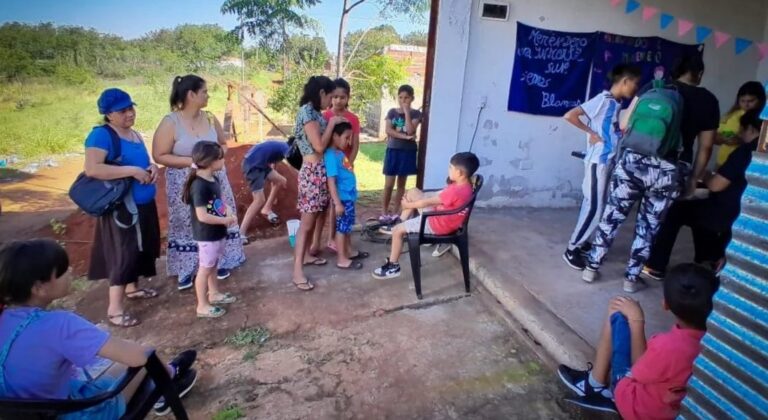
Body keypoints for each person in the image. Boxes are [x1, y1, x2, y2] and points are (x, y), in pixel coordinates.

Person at [0, 239, 198, 418]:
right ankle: (171, 377)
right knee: (146, 356)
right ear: (38, 288)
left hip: (23, 411)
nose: (70, 272)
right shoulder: (59, 324)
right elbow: (139, 357)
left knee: (116, 366)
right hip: (69, 413)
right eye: (61, 271)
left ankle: (170, 375)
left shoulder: (4, 318)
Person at [583, 55, 720, 293]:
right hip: (669, 169)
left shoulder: (653, 88)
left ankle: (591, 268)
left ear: (674, 71)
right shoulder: (707, 100)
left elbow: (625, 123)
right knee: (648, 225)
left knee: (612, 216)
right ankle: (630, 279)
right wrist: (691, 180)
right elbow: (706, 148)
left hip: (633, 162)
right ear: (699, 73)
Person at [557, 263, 719, 419]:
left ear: (665, 305)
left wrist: (636, 320)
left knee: (618, 312)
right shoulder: (716, 343)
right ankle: (595, 384)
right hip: (669, 408)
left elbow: (637, 370)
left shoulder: (668, 346)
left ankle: (595, 385)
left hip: (639, 409)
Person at [642, 109, 762, 280]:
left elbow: (716, 185)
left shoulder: (745, 152)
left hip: (727, 212)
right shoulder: (761, 153)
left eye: (742, 130)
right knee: (700, 212)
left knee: (677, 209)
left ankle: (656, 265)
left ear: (750, 129)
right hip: (746, 213)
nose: (740, 134)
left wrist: (703, 173)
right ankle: (707, 260)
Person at [152, 75, 246, 291]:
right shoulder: (170, 122)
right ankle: (188, 267)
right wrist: (194, 162)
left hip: (215, 180)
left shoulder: (211, 118)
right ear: (191, 95)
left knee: (216, 217)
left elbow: (223, 145)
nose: (208, 95)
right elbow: (159, 155)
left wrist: (216, 156)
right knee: (187, 222)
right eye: (204, 91)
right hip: (184, 182)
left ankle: (219, 262)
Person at [84, 88, 161, 327]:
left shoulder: (134, 134)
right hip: (122, 209)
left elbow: (143, 162)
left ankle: (132, 288)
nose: (130, 114)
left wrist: (151, 167)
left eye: (131, 108)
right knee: (122, 254)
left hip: (143, 203)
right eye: (123, 110)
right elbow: (93, 169)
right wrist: (132, 171)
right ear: (108, 115)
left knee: (140, 248)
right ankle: (114, 310)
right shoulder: (102, 136)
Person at [562, 64, 642, 270]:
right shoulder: (603, 100)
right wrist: (591, 133)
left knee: (596, 205)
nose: (636, 88)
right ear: (624, 81)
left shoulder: (615, 104)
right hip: (598, 161)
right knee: (595, 207)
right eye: (634, 83)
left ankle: (582, 243)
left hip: (606, 161)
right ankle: (572, 249)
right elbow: (570, 115)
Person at [373, 152, 479, 280]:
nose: (448, 169)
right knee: (413, 192)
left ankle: (393, 266)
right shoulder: (465, 185)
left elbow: (426, 202)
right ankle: (400, 220)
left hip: (437, 223)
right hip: (442, 216)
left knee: (397, 231)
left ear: (460, 173)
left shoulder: (455, 191)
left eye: (451, 167)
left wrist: (408, 205)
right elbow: (440, 197)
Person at [292, 76, 345, 291]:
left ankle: (305, 257)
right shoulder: (307, 113)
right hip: (312, 172)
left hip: (321, 172)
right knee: (306, 223)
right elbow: (318, 146)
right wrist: (332, 123)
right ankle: (297, 272)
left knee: (314, 219)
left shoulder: (316, 114)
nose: (332, 102)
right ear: (321, 93)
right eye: (330, 97)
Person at [182, 141, 239, 318]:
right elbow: (202, 216)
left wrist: (226, 211)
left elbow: (216, 203)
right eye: (221, 158)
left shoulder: (213, 179)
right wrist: (225, 219)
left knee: (213, 264)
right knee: (205, 269)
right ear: (210, 161)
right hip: (207, 235)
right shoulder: (199, 185)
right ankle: (202, 305)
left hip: (216, 232)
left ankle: (213, 293)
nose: (224, 161)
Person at [321, 78, 361, 254]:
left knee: (344, 202)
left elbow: (356, 144)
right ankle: (331, 238)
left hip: (345, 166)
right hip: (331, 166)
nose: (338, 100)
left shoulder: (353, 118)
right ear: (330, 97)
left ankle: (343, 241)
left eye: (342, 97)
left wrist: (349, 164)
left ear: (348, 98)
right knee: (334, 203)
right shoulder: (325, 116)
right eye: (335, 97)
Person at [325, 122, 368, 270]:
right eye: (346, 137)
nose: (349, 142)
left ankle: (349, 252)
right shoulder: (330, 156)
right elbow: (331, 181)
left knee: (347, 226)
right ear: (335, 136)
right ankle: (341, 259)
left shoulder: (340, 153)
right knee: (342, 229)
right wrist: (337, 203)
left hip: (348, 198)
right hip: (342, 199)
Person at [381, 84, 422, 223]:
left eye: (406, 98)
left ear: (412, 98)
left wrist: (406, 112)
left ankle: (396, 211)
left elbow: (411, 130)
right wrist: (404, 137)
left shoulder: (416, 114)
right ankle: (384, 211)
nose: (403, 100)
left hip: (407, 152)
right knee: (388, 183)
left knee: (401, 184)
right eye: (400, 97)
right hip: (393, 150)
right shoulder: (392, 112)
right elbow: (388, 130)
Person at [239, 140, 289, 242]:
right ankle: (241, 234)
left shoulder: (279, 147)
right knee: (259, 200)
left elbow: (273, 165)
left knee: (281, 181)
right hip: (253, 165)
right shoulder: (286, 148)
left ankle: (267, 208)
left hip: (261, 164)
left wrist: (273, 180)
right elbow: (293, 160)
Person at [714, 81, 765, 167]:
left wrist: (739, 139)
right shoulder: (732, 114)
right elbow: (719, 132)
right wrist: (726, 137)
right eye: (742, 101)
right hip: (723, 160)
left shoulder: (761, 119)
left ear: (760, 100)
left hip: (743, 163)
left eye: (751, 101)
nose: (746, 104)